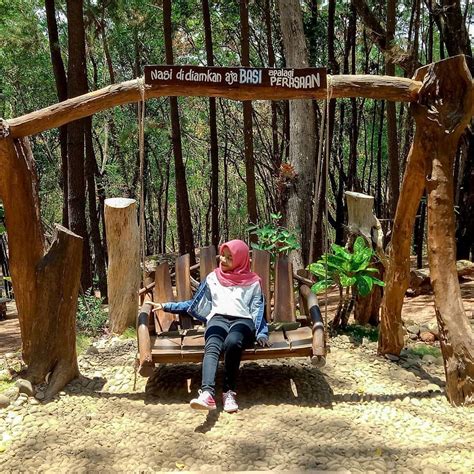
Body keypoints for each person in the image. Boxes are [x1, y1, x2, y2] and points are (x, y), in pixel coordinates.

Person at [151, 239, 269, 413]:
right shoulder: (213, 278)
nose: (223, 259)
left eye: (230, 257)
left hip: (243, 321)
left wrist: (262, 333)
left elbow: (257, 310)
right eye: (223, 254)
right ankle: (207, 393)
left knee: (232, 342)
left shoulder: (253, 282)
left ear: (240, 260)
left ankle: (229, 391)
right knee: (212, 344)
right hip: (217, 319)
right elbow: (195, 303)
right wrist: (168, 306)